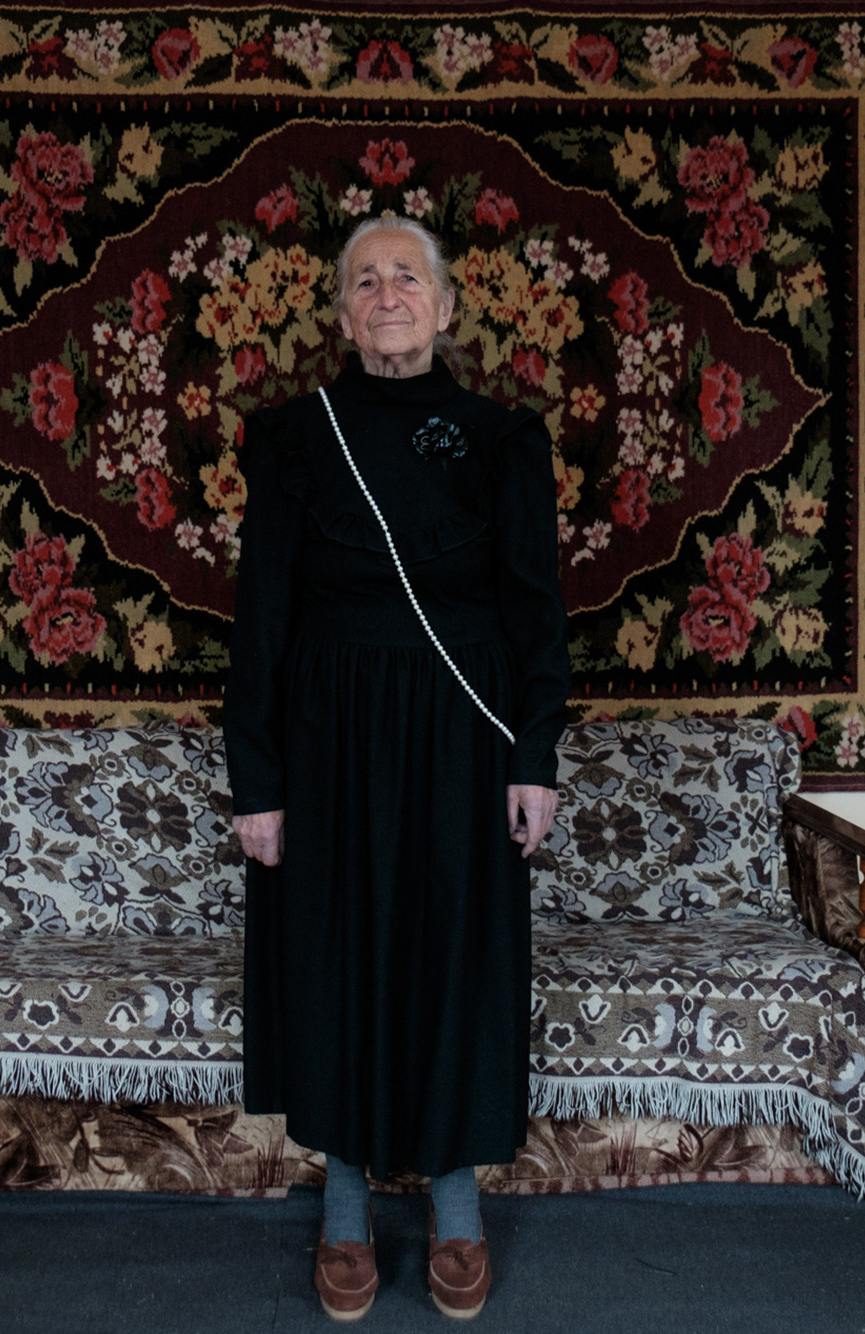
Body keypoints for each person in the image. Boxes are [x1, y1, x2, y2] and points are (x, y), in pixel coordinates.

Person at [225, 216, 570, 1322]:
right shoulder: (291, 435)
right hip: (326, 737)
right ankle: (342, 1201)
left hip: (461, 734)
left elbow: (532, 609)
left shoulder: (501, 436)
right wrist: (257, 779)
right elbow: (262, 615)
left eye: (405, 277)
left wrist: (533, 755)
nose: (385, 294)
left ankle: (455, 1201)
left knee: (453, 954)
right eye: (363, 280)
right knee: (336, 953)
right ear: (339, 312)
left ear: (446, 306)